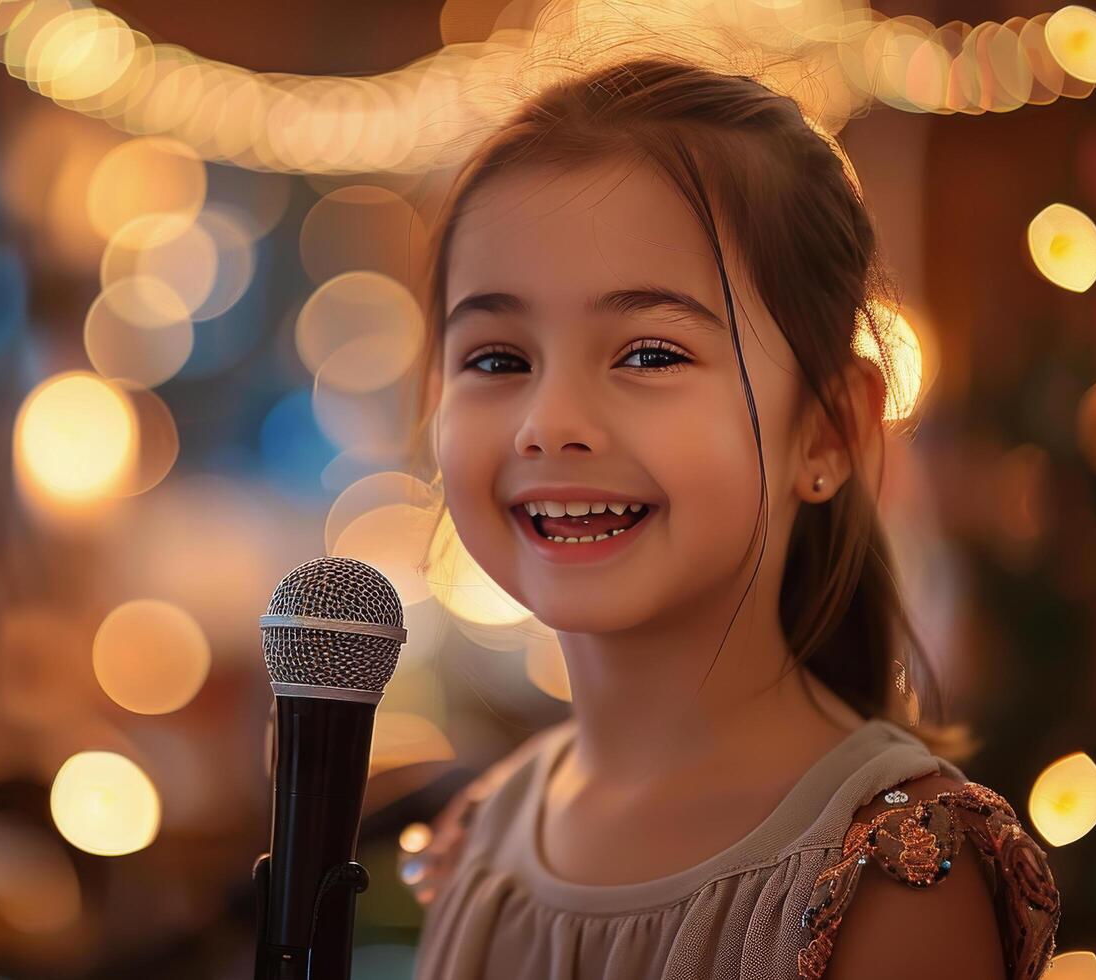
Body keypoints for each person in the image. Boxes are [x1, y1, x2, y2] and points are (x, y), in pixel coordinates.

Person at [397, 55, 1062, 979]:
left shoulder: (895, 868)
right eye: (498, 359)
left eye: (649, 353)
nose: (548, 424)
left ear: (826, 432)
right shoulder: (475, 835)